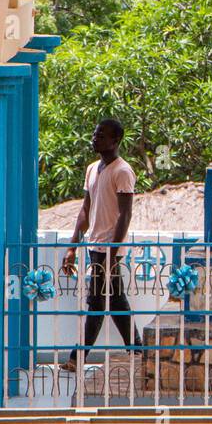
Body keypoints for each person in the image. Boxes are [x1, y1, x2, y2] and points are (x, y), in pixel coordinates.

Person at [60, 119, 139, 369]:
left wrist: (114, 255)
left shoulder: (122, 171)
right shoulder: (93, 169)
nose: (95, 139)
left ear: (116, 141)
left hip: (109, 249)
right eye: (95, 134)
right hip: (94, 246)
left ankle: (77, 357)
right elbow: (86, 208)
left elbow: (125, 215)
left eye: (101, 136)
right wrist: (73, 246)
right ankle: (137, 350)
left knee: (98, 301)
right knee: (113, 301)